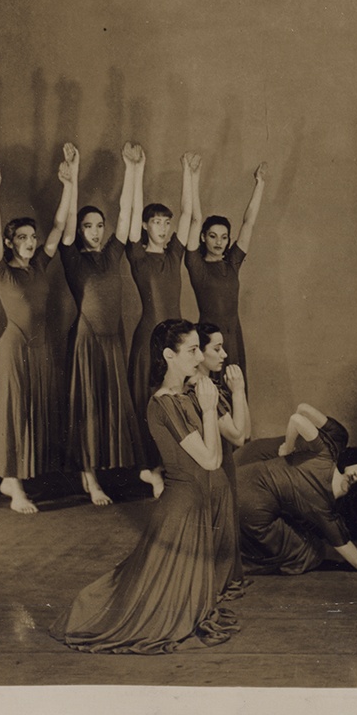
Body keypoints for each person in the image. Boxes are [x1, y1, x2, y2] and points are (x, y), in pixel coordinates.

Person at [50, 320, 241, 654]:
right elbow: (210, 461)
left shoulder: (186, 394)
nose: (199, 358)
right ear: (169, 355)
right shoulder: (164, 403)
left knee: (183, 600)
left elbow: (231, 440)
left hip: (195, 508)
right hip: (180, 512)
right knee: (150, 607)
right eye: (192, 350)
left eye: (200, 349)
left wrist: (210, 404)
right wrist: (209, 410)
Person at [60, 143, 161, 506]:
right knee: (86, 407)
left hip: (113, 339)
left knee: (113, 406)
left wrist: (134, 169)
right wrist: (72, 177)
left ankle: (118, 471)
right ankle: (89, 476)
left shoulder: (113, 253)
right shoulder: (72, 257)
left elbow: (130, 215)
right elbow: (67, 223)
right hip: (87, 339)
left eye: (99, 225)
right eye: (89, 226)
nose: (96, 231)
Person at [236, 405, 357, 575]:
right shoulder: (326, 512)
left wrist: (287, 449)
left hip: (241, 476)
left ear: (356, 468)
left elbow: (297, 417)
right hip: (250, 506)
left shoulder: (325, 455)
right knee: (311, 552)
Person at [0, 152, 74, 513]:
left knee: (32, 411)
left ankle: (11, 479)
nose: (30, 241)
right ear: (10, 242)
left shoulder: (39, 265)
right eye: (22, 237)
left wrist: (68, 186)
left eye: (31, 237)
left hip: (40, 349)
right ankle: (15, 486)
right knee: (15, 412)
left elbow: (57, 225)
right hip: (14, 346)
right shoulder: (1, 271)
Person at [125, 148, 198, 492]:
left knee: (180, 396)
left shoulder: (174, 254)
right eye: (156, 222)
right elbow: (132, 209)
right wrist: (138, 169)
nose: (164, 228)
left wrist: (188, 173)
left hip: (178, 335)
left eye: (166, 223)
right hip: (149, 338)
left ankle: (176, 466)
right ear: (145, 225)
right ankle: (151, 468)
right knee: (149, 398)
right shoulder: (137, 255)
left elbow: (187, 214)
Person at [184, 161, 268, 381]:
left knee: (235, 388)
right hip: (209, 338)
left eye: (223, 237)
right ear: (203, 237)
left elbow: (248, 223)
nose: (218, 242)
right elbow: (194, 219)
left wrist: (260, 183)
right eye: (212, 236)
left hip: (233, 336)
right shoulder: (196, 265)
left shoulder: (232, 263)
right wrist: (194, 178)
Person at [188, 321, 252, 590]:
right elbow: (238, 436)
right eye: (218, 348)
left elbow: (245, 433)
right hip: (213, 470)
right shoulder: (203, 390)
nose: (224, 355)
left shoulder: (207, 386)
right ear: (200, 353)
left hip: (220, 465)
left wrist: (238, 394)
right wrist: (238, 391)